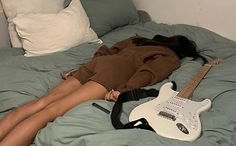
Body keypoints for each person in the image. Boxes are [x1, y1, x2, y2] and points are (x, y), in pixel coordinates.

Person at [0, 34, 206, 146]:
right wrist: (125, 90)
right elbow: (149, 73)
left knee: (39, 103)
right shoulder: (169, 57)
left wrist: (83, 68)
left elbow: (107, 50)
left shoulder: (138, 39)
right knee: (50, 112)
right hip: (114, 71)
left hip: (101, 62)